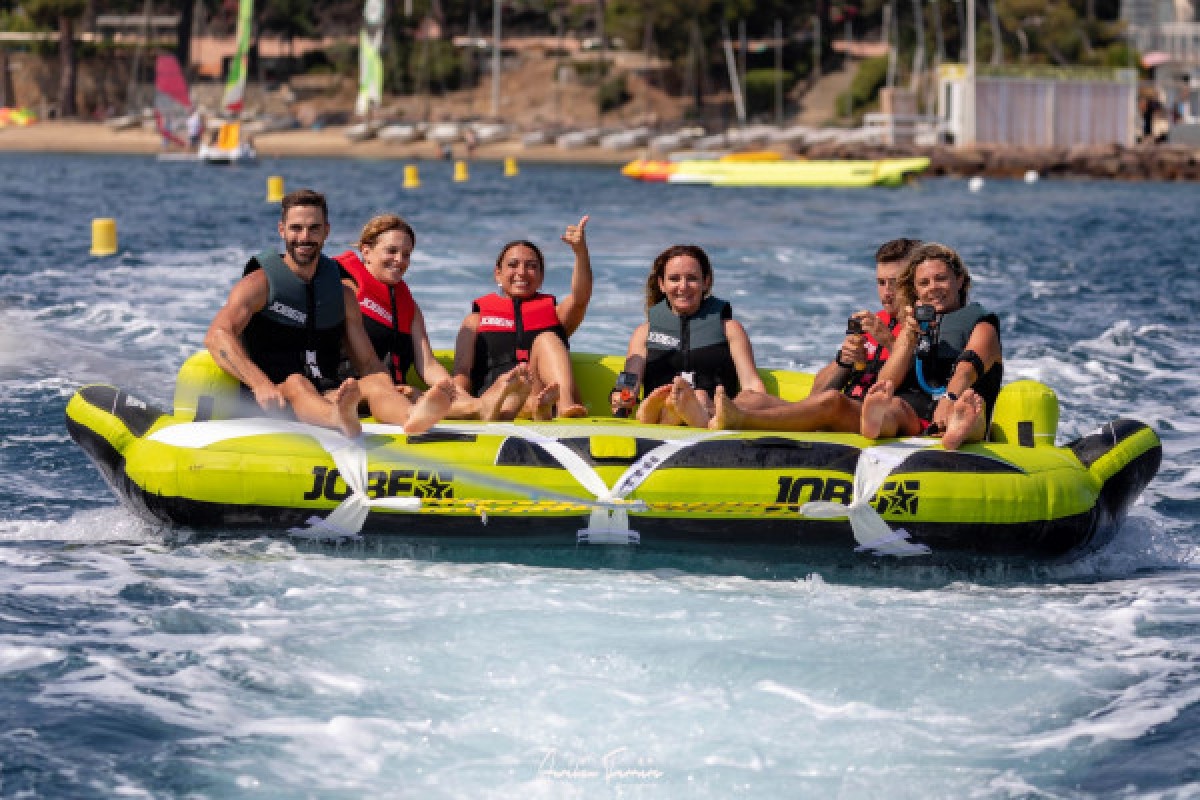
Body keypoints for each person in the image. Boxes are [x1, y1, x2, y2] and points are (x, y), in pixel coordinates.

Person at [205, 189, 453, 438]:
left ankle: (410, 418)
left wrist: (387, 386)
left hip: (326, 393)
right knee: (297, 382)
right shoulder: (259, 284)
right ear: (282, 231)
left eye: (314, 228)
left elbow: (368, 363)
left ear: (326, 231)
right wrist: (259, 384)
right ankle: (339, 419)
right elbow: (217, 335)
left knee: (375, 382)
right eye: (296, 228)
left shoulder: (341, 294)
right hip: (275, 396)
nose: (304, 237)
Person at [708, 238, 920, 433]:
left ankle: (742, 421)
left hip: (878, 416)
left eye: (894, 282)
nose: (886, 292)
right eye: (881, 283)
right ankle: (708, 418)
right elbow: (815, 394)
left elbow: (925, 377)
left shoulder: (919, 325)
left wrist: (888, 341)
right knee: (750, 398)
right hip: (844, 406)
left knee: (833, 401)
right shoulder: (873, 323)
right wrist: (843, 361)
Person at [334, 213, 530, 422]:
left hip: (394, 392)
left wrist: (454, 392)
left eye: (406, 254)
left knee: (421, 394)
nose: (400, 260)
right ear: (366, 251)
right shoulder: (347, 291)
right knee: (411, 395)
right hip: (351, 390)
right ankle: (482, 408)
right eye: (391, 251)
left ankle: (482, 407)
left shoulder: (409, 307)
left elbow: (427, 365)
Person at [860, 242, 1003, 451]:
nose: (933, 287)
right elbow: (886, 382)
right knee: (896, 407)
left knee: (969, 411)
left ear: (960, 280)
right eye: (924, 283)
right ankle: (875, 423)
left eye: (941, 279)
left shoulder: (982, 325)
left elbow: (965, 370)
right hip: (918, 413)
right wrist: (908, 338)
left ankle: (957, 429)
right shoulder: (913, 326)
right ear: (916, 291)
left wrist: (949, 399)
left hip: (960, 401)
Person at [453, 216, 592, 420]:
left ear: (541, 276)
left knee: (547, 339)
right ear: (498, 274)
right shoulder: (474, 321)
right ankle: (535, 409)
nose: (522, 272)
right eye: (513, 265)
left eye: (531, 266)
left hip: (543, 395)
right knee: (514, 397)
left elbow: (581, 298)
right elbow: (462, 372)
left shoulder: (556, 314)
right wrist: (462, 403)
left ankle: (564, 407)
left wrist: (580, 252)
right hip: (499, 403)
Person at [611, 244, 766, 426]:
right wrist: (621, 398)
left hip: (711, 414)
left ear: (706, 282)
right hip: (660, 412)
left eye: (692, 278)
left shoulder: (730, 330)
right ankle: (664, 409)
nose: (683, 287)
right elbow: (629, 380)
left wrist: (738, 408)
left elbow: (752, 386)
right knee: (669, 399)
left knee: (700, 397)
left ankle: (686, 409)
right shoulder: (644, 334)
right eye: (674, 279)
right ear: (662, 284)